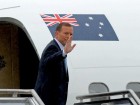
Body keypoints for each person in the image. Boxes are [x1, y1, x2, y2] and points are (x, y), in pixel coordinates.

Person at [35, 22, 76, 105]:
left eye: (71, 34)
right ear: (57, 33)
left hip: (57, 98)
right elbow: (48, 61)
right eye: (66, 33)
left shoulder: (60, 48)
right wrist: (64, 52)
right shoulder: (52, 47)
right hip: (48, 98)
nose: (68, 37)